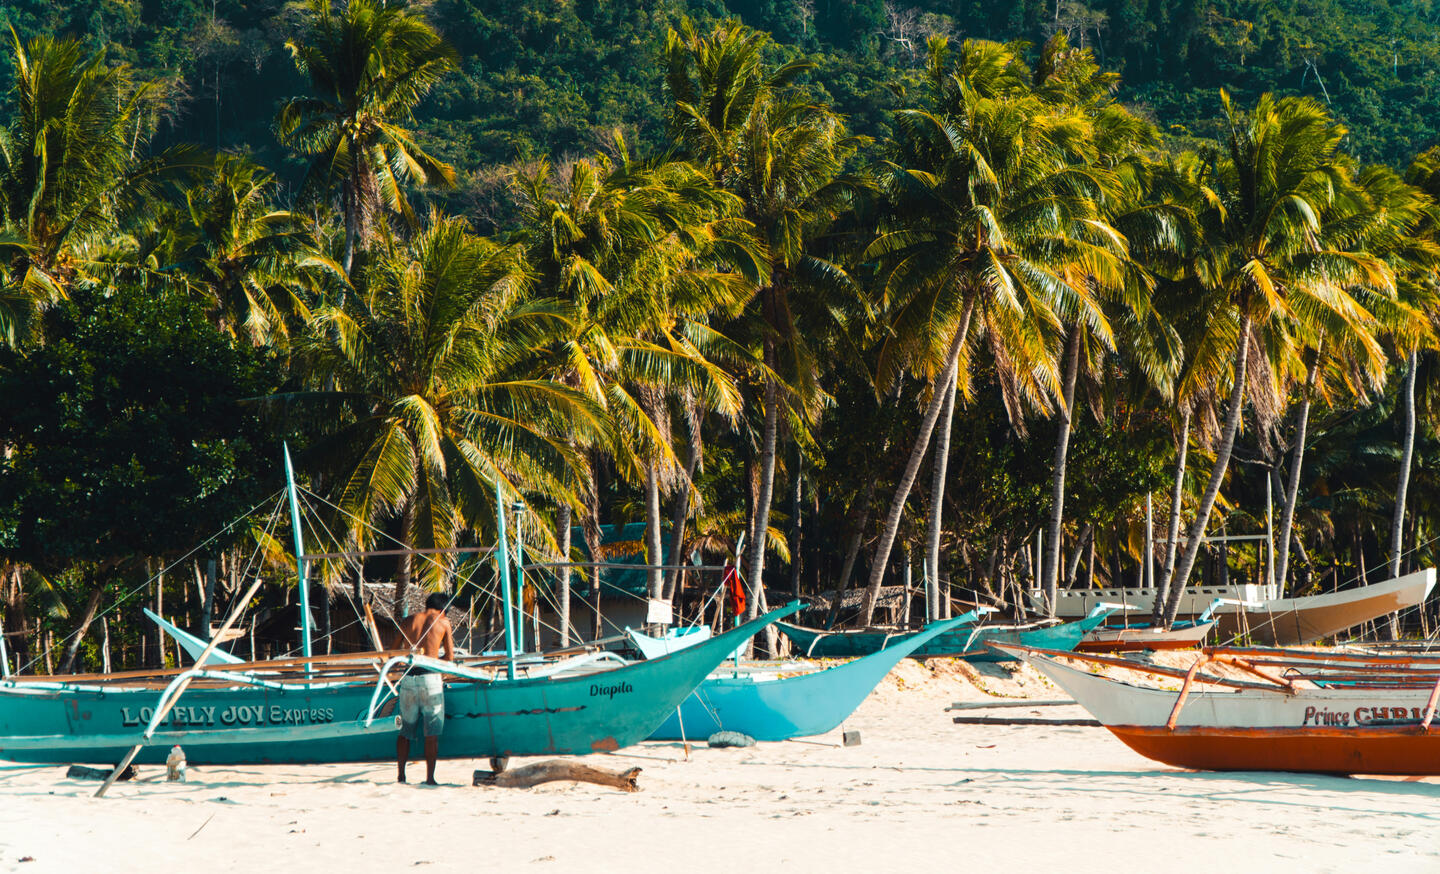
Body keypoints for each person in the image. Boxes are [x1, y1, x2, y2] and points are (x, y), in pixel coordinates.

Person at [392, 592, 455, 784]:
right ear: (443, 609)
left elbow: (393, 652)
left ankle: (401, 775)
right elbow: (450, 657)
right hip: (430, 678)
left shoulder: (408, 620)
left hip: (409, 678)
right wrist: (437, 662)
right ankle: (430, 778)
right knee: (431, 733)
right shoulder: (443, 623)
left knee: (405, 731)